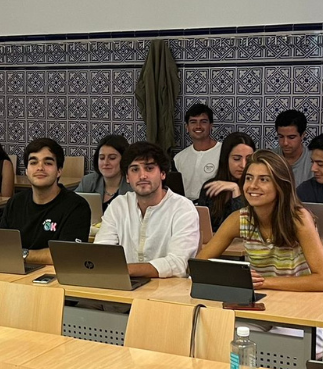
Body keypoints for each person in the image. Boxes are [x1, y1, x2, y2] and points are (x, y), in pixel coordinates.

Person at [198, 150, 323, 292]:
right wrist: (234, 276)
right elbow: (199, 264)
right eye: (249, 178)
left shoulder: (299, 218)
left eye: (263, 180)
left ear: (281, 185)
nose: (252, 186)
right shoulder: (239, 219)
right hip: (259, 298)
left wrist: (263, 282)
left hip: (298, 298)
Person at [94, 142, 199, 278]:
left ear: (162, 174)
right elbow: (101, 252)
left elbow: (178, 263)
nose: (142, 175)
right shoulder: (118, 205)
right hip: (123, 284)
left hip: (168, 288)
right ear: (127, 177)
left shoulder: (183, 209)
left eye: (149, 168)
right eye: (135, 170)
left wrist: (125, 269)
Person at [1, 138, 91, 265]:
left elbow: (69, 255)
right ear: (26, 170)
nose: (40, 168)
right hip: (14, 272)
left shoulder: (77, 206)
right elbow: (2, 248)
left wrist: (22, 254)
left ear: (59, 170)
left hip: (54, 275)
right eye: (33, 162)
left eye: (48, 163)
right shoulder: (15, 203)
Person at [195, 132, 256, 232]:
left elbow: (244, 229)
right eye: (237, 159)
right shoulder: (211, 186)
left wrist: (236, 190)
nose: (243, 165)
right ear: (226, 158)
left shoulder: (256, 189)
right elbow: (202, 227)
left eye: (248, 159)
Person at [174, 103, 222, 200]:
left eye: (203, 122)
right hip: (185, 206)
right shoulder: (179, 158)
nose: (198, 126)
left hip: (214, 206)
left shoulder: (224, 152)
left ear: (211, 126)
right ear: (187, 127)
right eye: (193, 122)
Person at [76, 134, 132, 209]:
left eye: (112, 158)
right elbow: (71, 205)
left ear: (124, 159)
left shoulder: (133, 184)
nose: (105, 163)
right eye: (102, 158)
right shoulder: (88, 181)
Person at [274, 109, 313, 186]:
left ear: (302, 135)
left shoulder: (313, 161)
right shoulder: (270, 158)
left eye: (291, 137)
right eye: (281, 136)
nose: (285, 143)